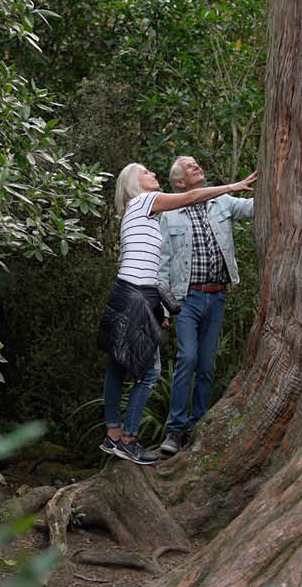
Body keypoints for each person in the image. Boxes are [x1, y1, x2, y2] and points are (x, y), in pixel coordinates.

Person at [97, 162, 256, 465]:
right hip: (136, 296)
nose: (153, 175)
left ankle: (113, 435)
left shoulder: (142, 213)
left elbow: (152, 264)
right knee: (150, 371)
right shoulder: (144, 201)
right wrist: (231, 187)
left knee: (118, 367)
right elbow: (189, 198)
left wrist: (162, 304)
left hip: (129, 291)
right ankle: (128, 440)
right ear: (134, 182)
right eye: (146, 173)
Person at [154, 155, 256, 457]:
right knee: (187, 358)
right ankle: (175, 430)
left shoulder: (221, 202)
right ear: (179, 183)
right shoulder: (169, 215)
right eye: (189, 166)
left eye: (196, 163)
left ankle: (197, 426)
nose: (196, 166)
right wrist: (162, 307)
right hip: (186, 300)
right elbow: (162, 266)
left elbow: (255, 210)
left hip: (217, 295)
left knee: (207, 365)